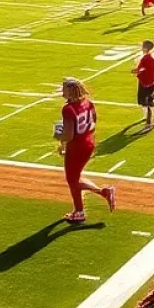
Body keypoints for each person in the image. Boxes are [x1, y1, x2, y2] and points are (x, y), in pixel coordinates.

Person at [54, 78, 116, 223]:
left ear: (70, 91)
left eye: (64, 88)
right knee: (75, 178)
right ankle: (81, 209)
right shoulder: (88, 103)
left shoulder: (68, 109)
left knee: (72, 180)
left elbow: (68, 135)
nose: (62, 91)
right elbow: (94, 120)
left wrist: (59, 137)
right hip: (88, 142)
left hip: (77, 146)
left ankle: (96, 197)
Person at [132, 40, 154, 131]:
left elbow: (140, 69)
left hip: (146, 84)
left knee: (146, 103)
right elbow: (145, 69)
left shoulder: (146, 58)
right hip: (149, 82)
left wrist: (135, 71)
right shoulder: (150, 57)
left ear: (145, 48)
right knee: (145, 101)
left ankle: (149, 124)